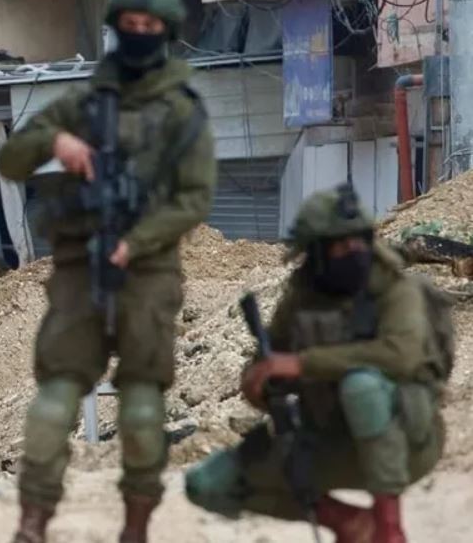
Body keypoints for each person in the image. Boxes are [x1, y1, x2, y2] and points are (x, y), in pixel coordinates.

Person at [0, 0, 216, 543]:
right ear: (117, 29)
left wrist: (135, 243)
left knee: (141, 407)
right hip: (78, 267)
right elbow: (12, 159)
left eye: (150, 28)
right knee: (54, 399)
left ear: (166, 33)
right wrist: (57, 142)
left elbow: (194, 200)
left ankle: (136, 525)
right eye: (131, 26)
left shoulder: (182, 111)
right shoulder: (84, 103)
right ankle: (33, 522)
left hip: (148, 273)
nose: (139, 35)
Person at [185, 185, 446, 543]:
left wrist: (303, 364)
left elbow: (402, 355)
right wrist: (260, 384)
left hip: (406, 444)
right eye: (341, 244)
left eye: (358, 241)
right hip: (327, 439)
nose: (353, 251)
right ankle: (348, 523)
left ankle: (389, 528)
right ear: (318, 252)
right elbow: (269, 364)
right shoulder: (302, 298)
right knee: (208, 483)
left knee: (362, 386)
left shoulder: (396, 289)